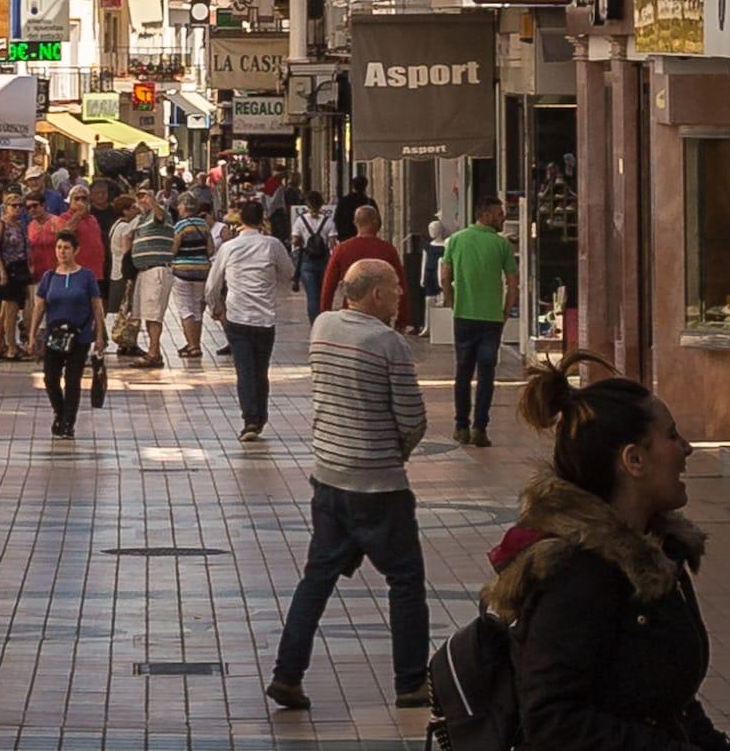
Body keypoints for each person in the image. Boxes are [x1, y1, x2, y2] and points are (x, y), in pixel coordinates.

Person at [483, 350, 730, 751]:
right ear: (634, 460)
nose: (687, 448)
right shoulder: (578, 573)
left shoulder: (655, 556)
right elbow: (554, 723)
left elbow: (668, 700)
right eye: (672, 435)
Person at [268, 259, 430, 713]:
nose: (401, 295)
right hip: (379, 486)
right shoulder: (388, 343)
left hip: (329, 476)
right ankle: (411, 682)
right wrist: (396, 452)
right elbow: (412, 419)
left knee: (317, 578)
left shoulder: (323, 327)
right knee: (405, 581)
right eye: (395, 288)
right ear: (376, 294)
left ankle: (287, 674)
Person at [203, 197, 294, 439]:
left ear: (241, 220)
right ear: (262, 219)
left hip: (237, 316)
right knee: (260, 370)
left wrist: (215, 307)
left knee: (244, 370)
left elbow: (212, 284)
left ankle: (250, 419)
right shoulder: (272, 245)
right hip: (265, 318)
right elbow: (288, 272)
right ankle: (259, 417)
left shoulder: (229, 248)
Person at [440, 195, 518, 446]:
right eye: (499, 214)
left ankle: (461, 426)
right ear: (485, 214)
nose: (503, 218)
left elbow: (444, 276)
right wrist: (505, 311)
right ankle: (480, 428)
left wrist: (452, 301)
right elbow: (513, 284)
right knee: (486, 374)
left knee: (463, 372)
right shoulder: (502, 246)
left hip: (464, 316)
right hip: (491, 320)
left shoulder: (456, 240)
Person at [28, 228, 107, 437]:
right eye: (59, 247)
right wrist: (32, 335)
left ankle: (68, 421)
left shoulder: (86, 276)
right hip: (55, 337)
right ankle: (59, 411)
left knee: (72, 380)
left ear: (75, 250)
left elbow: (96, 306)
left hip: (79, 337)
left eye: (66, 248)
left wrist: (99, 335)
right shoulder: (49, 277)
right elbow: (39, 307)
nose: (62, 252)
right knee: (50, 378)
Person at [320, 206, 411, 329]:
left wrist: (325, 315)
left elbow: (328, 286)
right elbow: (400, 285)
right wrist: (402, 320)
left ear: (355, 223)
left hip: (351, 315)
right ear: (376, 222)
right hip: (380, 316)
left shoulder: (342, 249)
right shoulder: (388, 250)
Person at [128, 184, 175, 368]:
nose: (142, 200)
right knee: (147, 313)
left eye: (145, 197)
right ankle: (153, 351)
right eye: (139, 197)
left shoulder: (161, 214)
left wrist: (152, 200)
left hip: (157, 269)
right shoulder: (142, 219)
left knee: (154, 314)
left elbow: (160, 215)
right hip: (144, 271)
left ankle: (154, 353)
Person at [0, 191, 32, 361]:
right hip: (7, 269)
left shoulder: (20, 225)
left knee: (6, 309)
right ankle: (11, 346)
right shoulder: (1, 224)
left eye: (20, 205)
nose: (18, 209)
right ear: (5, 207)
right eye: (14, 205)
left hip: (20, 269)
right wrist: (1, 270)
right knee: (10, 310)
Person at [170, 191, 213, 359]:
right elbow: (210, 249)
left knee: (185, 308)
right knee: (197, 308)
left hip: (182, 270)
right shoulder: (204, 225)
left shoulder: (180, 226)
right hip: (202, 271)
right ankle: (197, 344)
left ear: (183, 206)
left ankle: (192, 345)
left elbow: (174, 249)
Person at [290, 190, 336, 322]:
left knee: (312, 296)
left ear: (307, 204)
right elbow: (332, 243)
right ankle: (324, 320)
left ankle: (314, 323)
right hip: (323, 260)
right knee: (323, 294)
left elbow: (295, 241)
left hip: (307, 260)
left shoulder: (300, 221)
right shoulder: (328, 221)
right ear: (321, 204)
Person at [107, 193, 141, 354]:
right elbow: (127, 252)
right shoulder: (125, 228)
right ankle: (127, 342)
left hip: (117, 271)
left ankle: (125, 342)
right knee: (128, 309)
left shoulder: (116, 225)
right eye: (133, 207)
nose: (136, 209)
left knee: (124, 309)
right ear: (125, 211)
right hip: (123, 272)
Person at [54, 182, 106, 282]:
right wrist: (78, 214)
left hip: (96, 271)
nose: (80, 201)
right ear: (70, 201)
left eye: (84, 198)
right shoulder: (63, 218)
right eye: (77, 199)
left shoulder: (92, 218)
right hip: (76, 271)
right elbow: (65, 234)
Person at [88, 177, 117, 296]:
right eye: (97, 193)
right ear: (91, 195)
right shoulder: (88, 213)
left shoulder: (115, 211)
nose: (100, 196)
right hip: (94, 257)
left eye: (103, 193)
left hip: (112, 256)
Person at [333, 174, 372, 242]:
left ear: (352, 186)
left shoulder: (344, 201)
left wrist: (341, 234)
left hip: (346, 238)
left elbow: (337, 219)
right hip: (365, 238)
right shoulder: (369, 202)